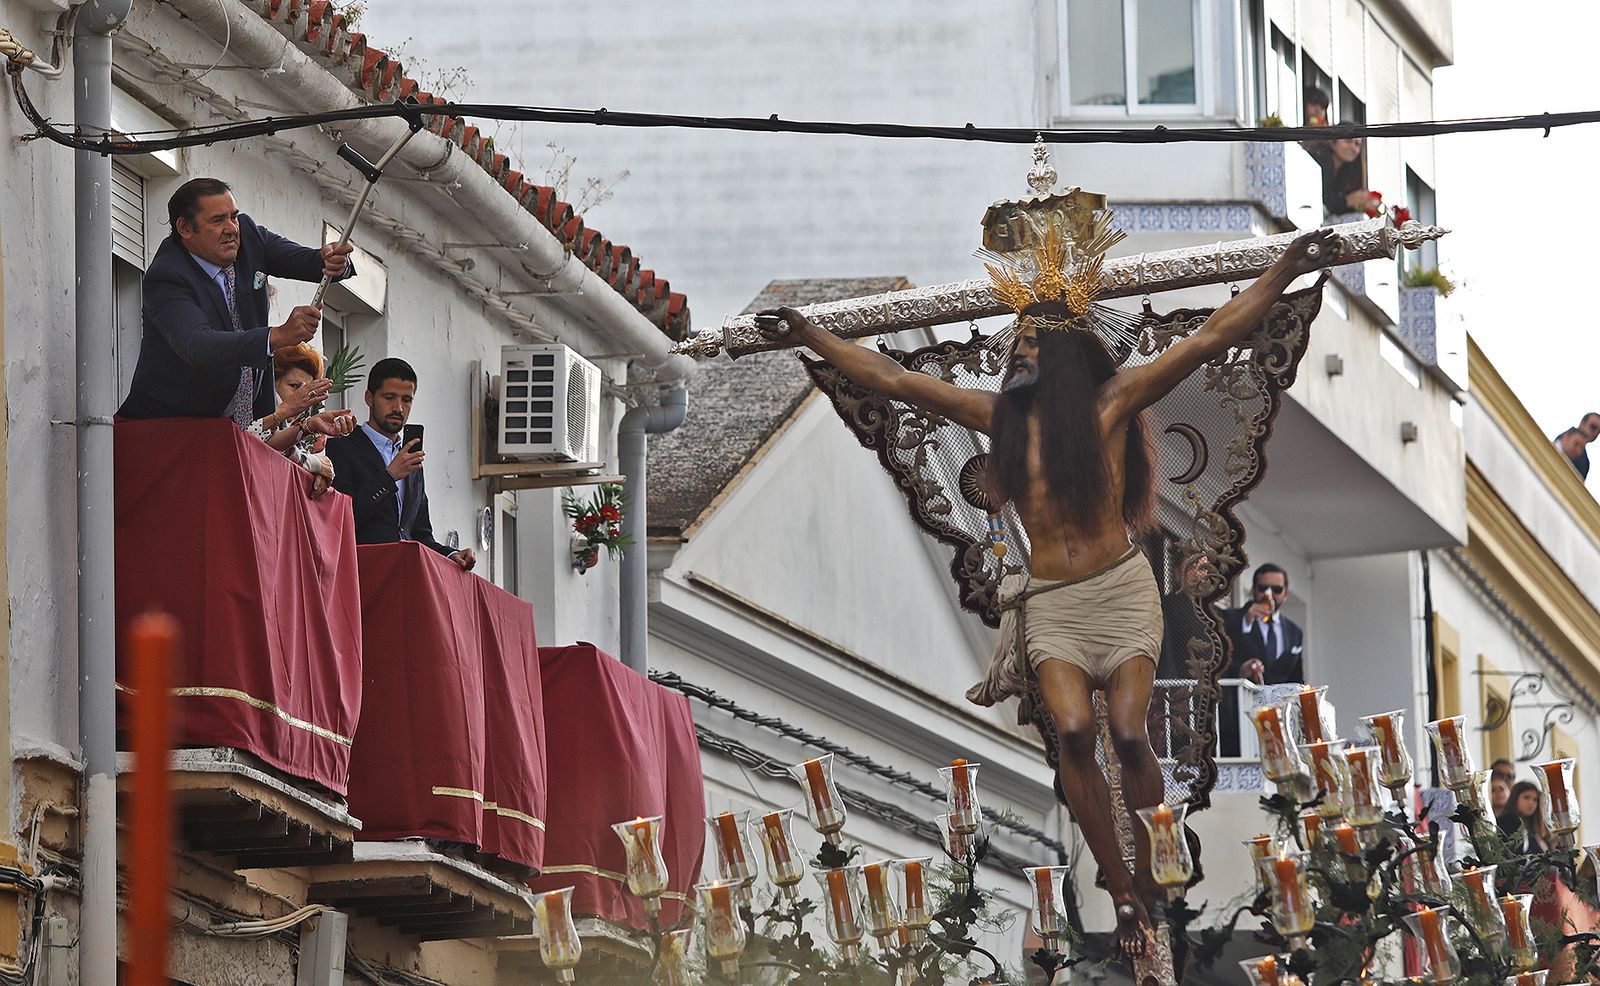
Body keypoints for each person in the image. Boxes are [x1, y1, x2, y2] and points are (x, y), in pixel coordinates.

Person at [760, 226, 1338, 956]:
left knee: (1128, 732)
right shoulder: (997, 417)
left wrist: (1286, 265)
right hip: (1055, 604)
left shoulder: (1112, 404)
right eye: (1016, 345)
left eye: (1032, 344)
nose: (1017, 353)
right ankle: (1118, 883)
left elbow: (1210, 336)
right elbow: (898, 381)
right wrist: (811, 333)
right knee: (1072, 732)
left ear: (1065, 354)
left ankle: (1156, 851)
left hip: (1120, 592)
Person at [119, 177, 355, 425]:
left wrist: (333, 259)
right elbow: (199, 346)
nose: (232, 228)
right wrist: (277, 335)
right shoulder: (167, 276)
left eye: (233, 216)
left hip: (242, 424)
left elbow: (312, 263)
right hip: (172, 428)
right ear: (185, 228)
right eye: (218, 220)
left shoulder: (250, 237)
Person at [324, 358, 476, 570]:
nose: (398, 408)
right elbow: (340, 520)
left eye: (407, 400)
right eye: (389, 397)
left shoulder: (411, 462)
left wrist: (451, 554)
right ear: (369, 398)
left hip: (403, 581)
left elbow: (419, 534)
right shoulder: (342, 449)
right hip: (359, 576)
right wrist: (389, 477)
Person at [246, 344, 354, 498]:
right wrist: (317, 464)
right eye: (294, 386)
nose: (302, 395)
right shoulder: (256, 409)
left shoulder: (297, 424)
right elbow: (262, 445)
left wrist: (319, 471)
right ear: (272, 385)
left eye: (309, 391)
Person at [1224, 563, 1306, 685]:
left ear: (1286, 594)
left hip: (1279, 702)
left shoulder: (1294, 631)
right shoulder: (1231, 618)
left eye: (1277, 590)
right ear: (1254, 590)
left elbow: (1296, 678)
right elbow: (1221, 663)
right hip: (1241, 700)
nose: (1269, 594)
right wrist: (1247, 624)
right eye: (1263, 588)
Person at [1320, 138, 1379, 218]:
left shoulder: (1348, 171)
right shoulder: (1320, 164)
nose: (1353, 148)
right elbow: (1323, 203)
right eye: (1348, 141)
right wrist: (1348, 201)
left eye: (1357, 144)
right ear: (1333, 142)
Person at [1498, 781, 1551, 853]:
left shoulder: (1533, 828)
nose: (1531, 803)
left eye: (1535, 800)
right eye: (1526, 797)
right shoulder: (1502, 824)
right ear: (1515, 798)